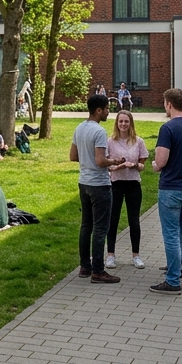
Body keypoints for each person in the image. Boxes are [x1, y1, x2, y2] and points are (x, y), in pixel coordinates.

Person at [149, 89, 182, 295]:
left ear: (169, 104)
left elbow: (161, 161)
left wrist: (155, 165)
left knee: (171, 234)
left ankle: (172, 280)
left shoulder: (168, 128)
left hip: (171, 188)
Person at [72, 94, 119, 283]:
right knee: (100, 228)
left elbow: (73, 156)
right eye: (107, 109)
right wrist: (114, 161)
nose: (108, 112)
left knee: (86, 225)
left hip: (84, 182)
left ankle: (85, 266)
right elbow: (100, 161)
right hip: (99, 184)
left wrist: (87, 159)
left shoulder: (79, 128)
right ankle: (98, 271)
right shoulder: (99, 131)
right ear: (98, 110)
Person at [105, 109, 148, 270]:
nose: (123, 124)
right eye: (121, 121)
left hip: (133, 184)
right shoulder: (110, 141)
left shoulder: (138, 141)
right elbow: (106, 165)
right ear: (117, 123)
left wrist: (134, 164)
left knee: (134, 220)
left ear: (131, 123)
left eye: (126, 121)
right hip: (116, 183)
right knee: (113, 219)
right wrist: (117, 166)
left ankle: (136, 255)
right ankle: (110, 255)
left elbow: (142, 165)